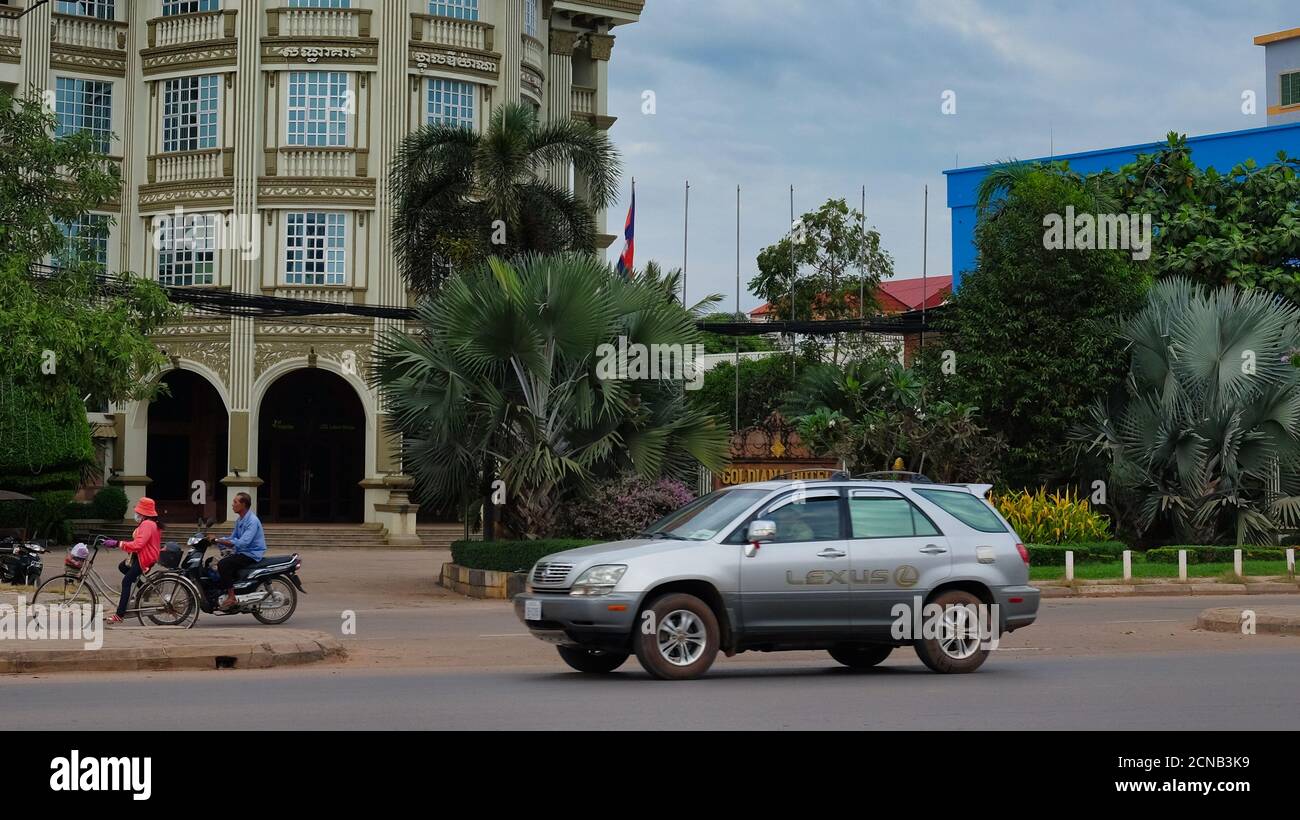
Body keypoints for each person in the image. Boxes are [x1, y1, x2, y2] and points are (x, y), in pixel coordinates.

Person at [101, 498, 162, 625]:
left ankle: (119, 614)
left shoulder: (147, 524)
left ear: (144, 513)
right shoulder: (149, 523)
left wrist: (118, 543)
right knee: (122, 567)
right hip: (143, 556)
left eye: (138, 512)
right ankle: (145, 589)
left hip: (144, 558)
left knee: (126, 581)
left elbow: (138, 545)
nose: (136, 514)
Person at [214, 492, 266, 610]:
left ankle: (232, 597)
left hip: (251, 553)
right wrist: (218, 540)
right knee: (213, 563)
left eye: (235, 502)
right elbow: (233, 538)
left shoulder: (252, 521)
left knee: (223, 564)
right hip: (242, 552)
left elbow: (243, 542)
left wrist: (220, 540)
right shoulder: (240, 520)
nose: (232, 505)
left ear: (243, 505)